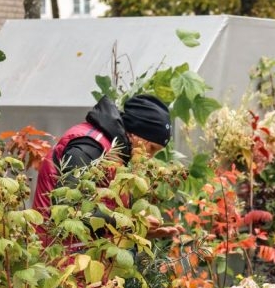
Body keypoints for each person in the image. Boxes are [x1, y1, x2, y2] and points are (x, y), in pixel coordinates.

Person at [31, 93, 179, 239]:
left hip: (83, 256)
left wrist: (135, 228)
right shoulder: (89, 146)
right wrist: (128, 223)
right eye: (152, 148)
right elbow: (70, 207)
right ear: (135, 133)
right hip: (56, 254)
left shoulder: (117, 155)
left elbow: (103, 211)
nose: (150, 157)